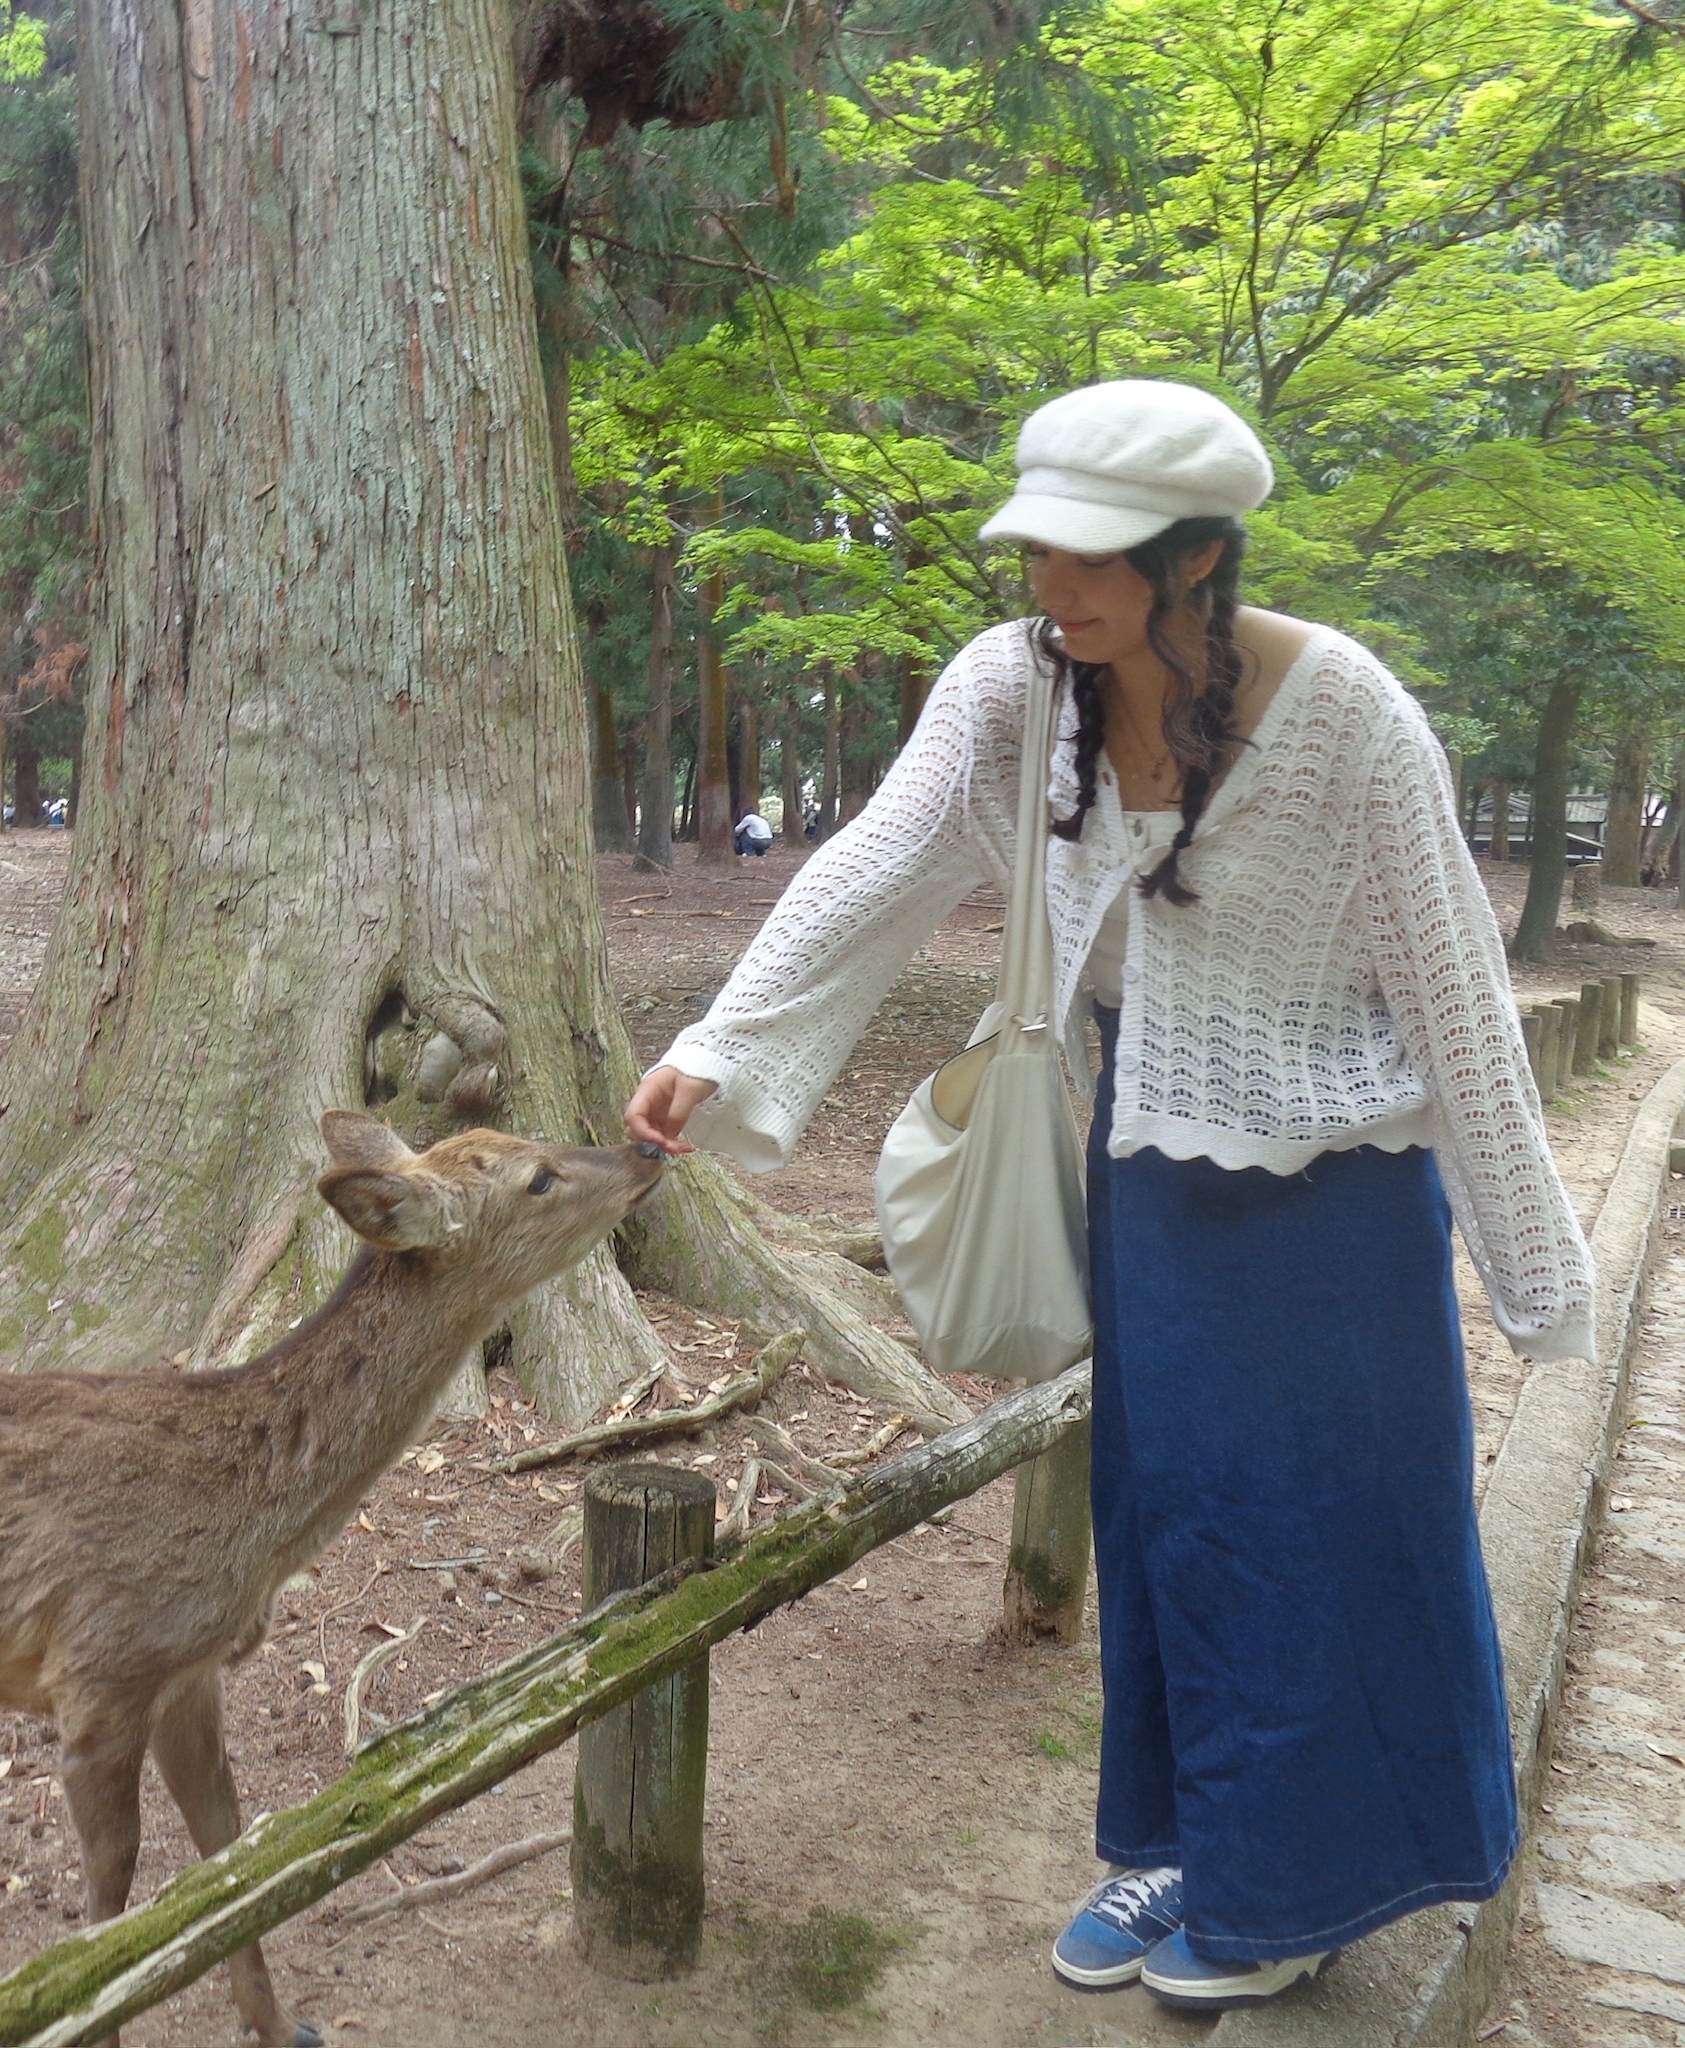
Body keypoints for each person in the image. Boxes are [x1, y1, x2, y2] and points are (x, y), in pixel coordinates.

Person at [623, 380, 1593, 2013]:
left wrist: (1536, 1267)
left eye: (1093, 555)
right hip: (1144, 1164)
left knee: (1322, 1526)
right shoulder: (1016, 689)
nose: (1053, 585)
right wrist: (722, 1041)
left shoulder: (1346, 713)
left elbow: (1456, 997)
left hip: (1336, 1199)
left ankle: (1298, 1887)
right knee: (1174, 1519)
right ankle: (1196, 1843)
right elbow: (878, 859)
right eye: (1039, 550)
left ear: (1197, 554)